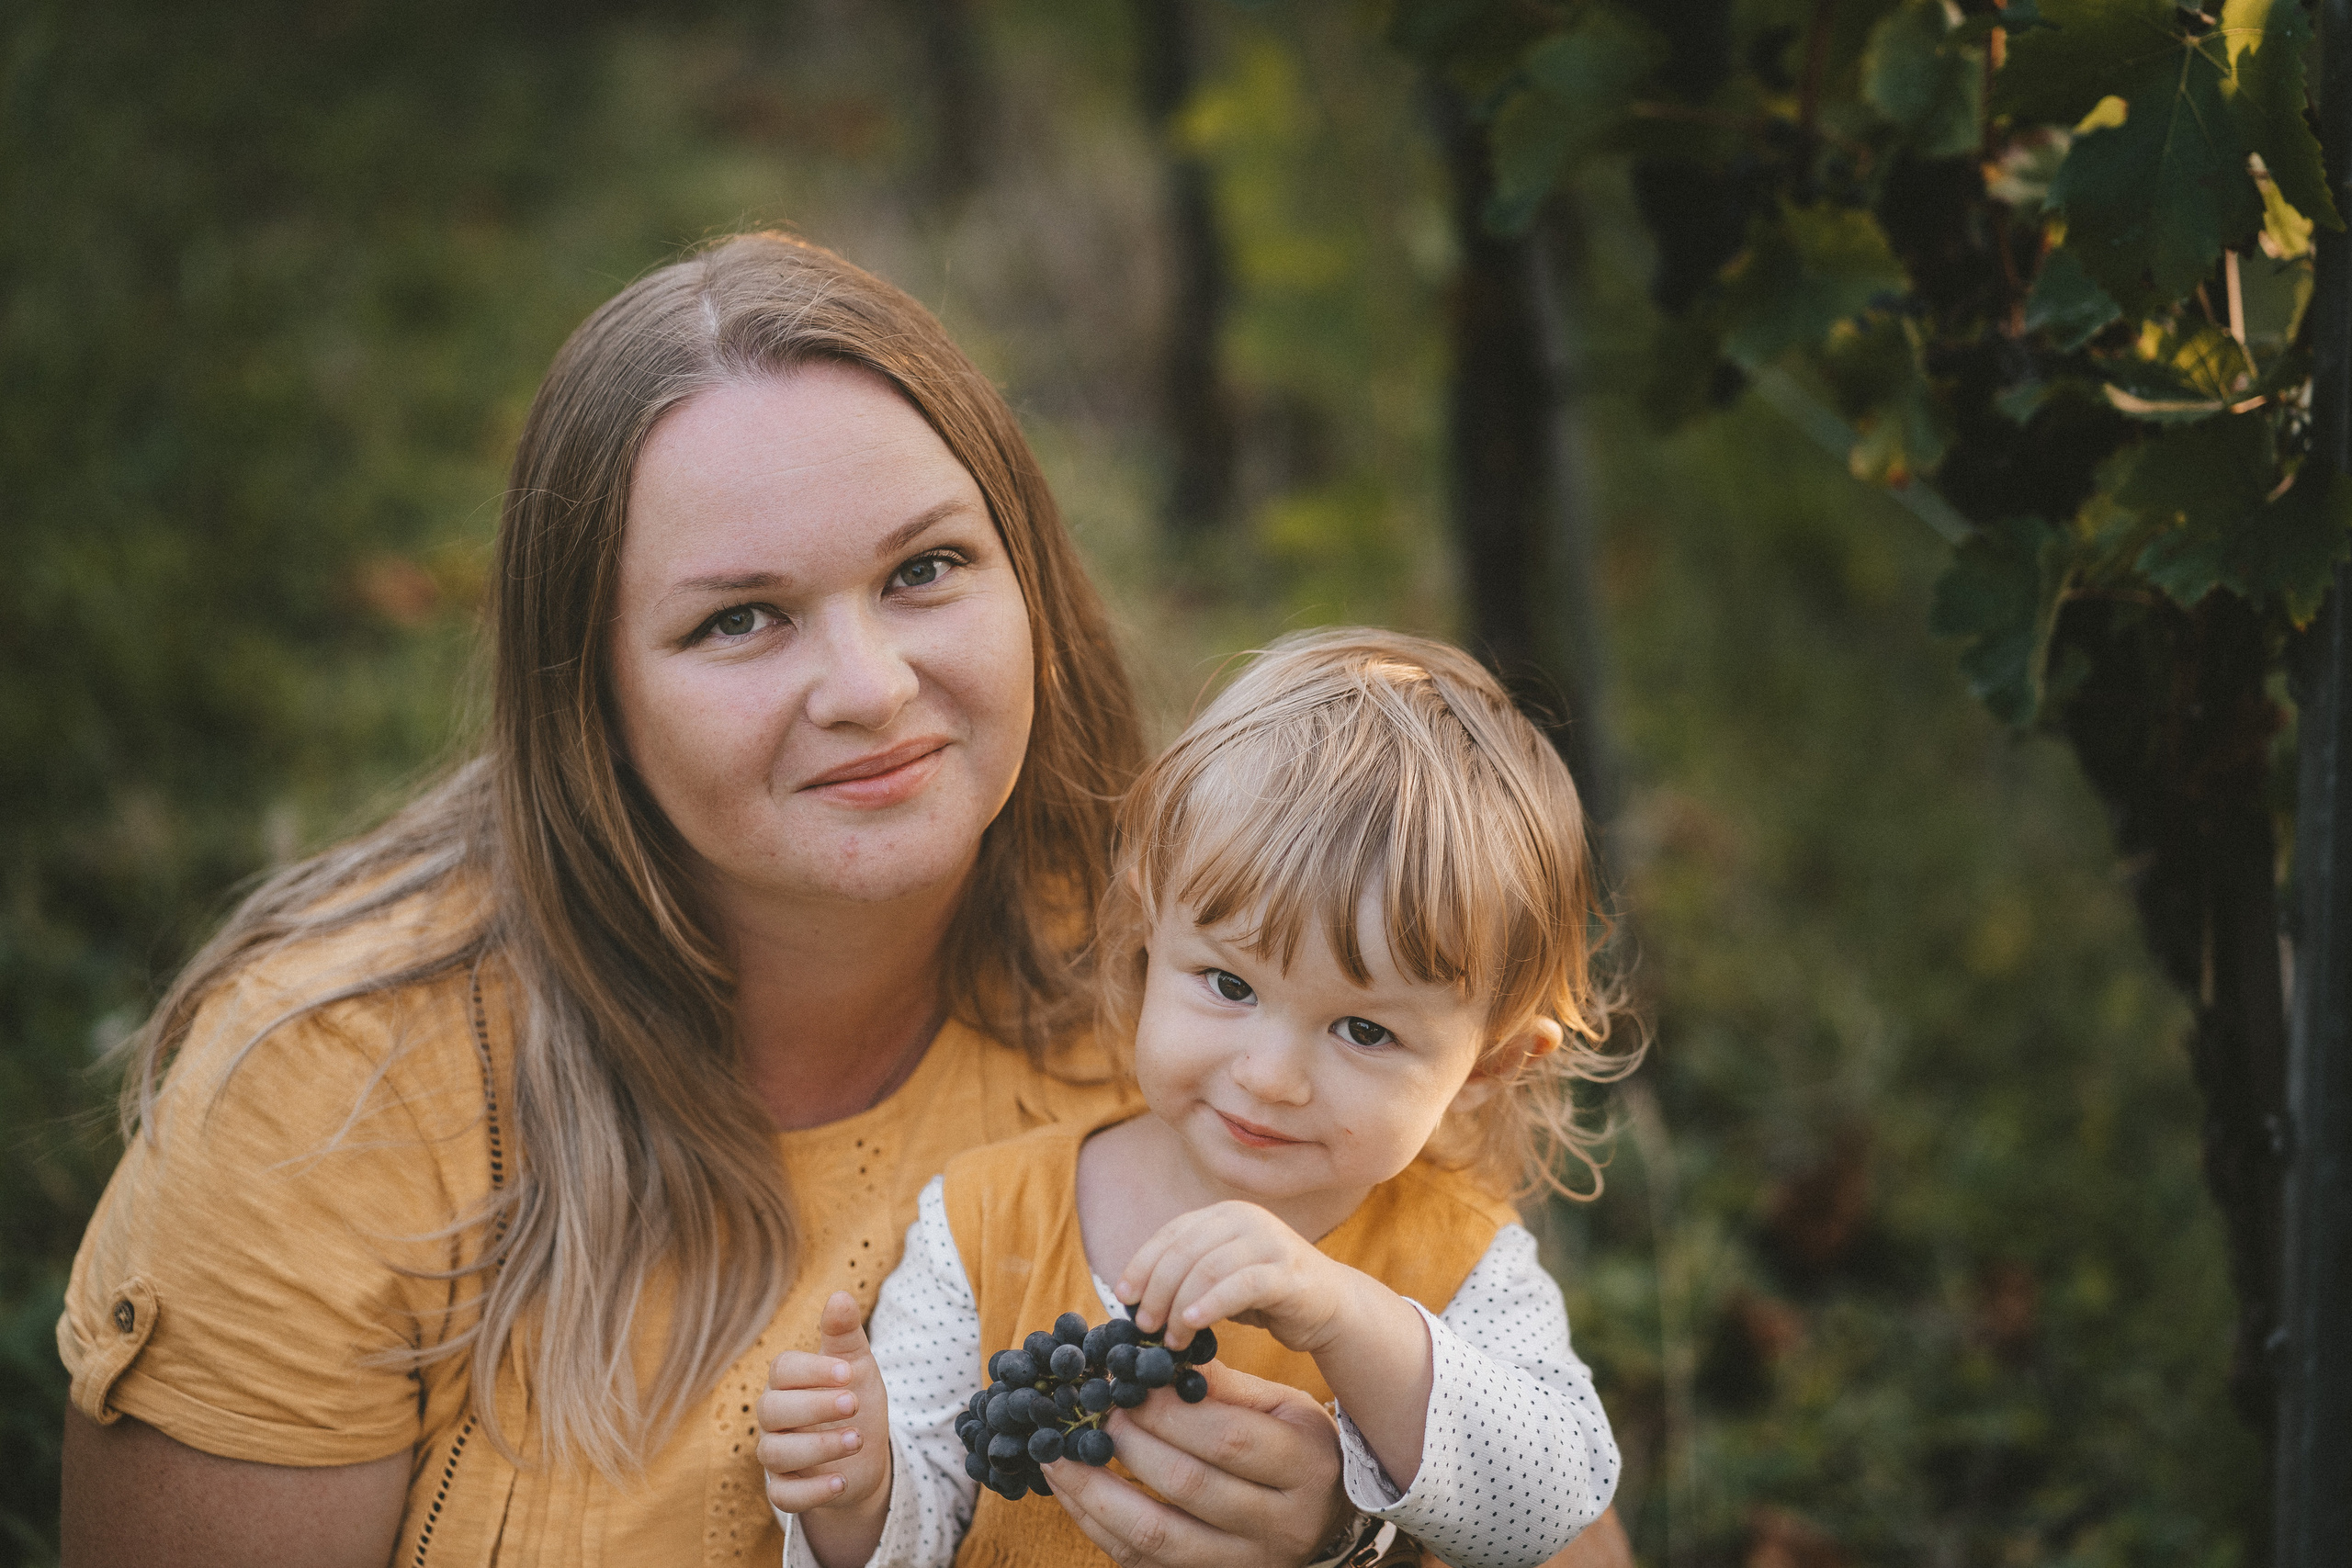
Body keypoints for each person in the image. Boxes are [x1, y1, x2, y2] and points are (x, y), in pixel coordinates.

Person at [55, 233, 1366, 1568]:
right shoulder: (331, 1097)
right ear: (592, 701)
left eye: (924, 570)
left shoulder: (1228, 992)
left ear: (1026, 579)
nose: (869, 687)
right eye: (740, 618)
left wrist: (1362, 1523)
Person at [759, 629, 1635, 1568]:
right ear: (1147, 932)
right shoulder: (982, 1219)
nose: (1269, 1075)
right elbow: (917, 1526)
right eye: (1228, 984)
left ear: (1488, 1066)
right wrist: (854, 1498)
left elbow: (1552, 1501)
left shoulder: (1459, 1261)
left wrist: (1340, 1313)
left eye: (1365, 1030)